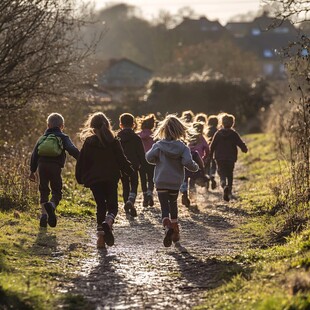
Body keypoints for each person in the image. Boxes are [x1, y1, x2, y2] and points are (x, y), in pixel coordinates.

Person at [75, 112, 133, 248]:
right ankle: (108, 221)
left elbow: (82, 162)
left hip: (94, 181)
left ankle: (100, 239)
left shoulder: (88, 142)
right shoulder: (113, 142)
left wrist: (80, 178)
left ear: (91, 127)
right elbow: (122, 160)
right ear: (107, 125)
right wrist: (130, 172)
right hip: (111, 178)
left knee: (100, 206)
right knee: (112, 206)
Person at [146, 115, 199, 247]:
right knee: (173, 203)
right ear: (180, 130)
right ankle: (175, 231)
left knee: (164, 208)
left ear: (163, 130)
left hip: (161, 181)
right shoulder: (183, 147)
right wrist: (195, 167)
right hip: (175, 182)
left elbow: (148, 157)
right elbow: (187, 162)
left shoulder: (158, 145)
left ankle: (167, 226)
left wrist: (155, 158)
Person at [29, 113, 79, 228]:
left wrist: (32, 171)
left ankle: (43, 215)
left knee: (43, 189)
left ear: (48, 125)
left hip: (42, 166)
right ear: (62, 126)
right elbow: (72, 149)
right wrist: (82, 159)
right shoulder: (63, 137)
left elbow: (34, 155)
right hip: (55, 167)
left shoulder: (42, 138)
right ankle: (51, 205)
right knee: (57, 191)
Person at [209, 113, 248, 202]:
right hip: (231, 157)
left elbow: (212, 145)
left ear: (222, 123)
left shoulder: (218, 133)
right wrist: (244, 148)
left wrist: (210, 155)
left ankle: (223, 185)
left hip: (219, 158)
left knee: (221, 173)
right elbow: (240, 143)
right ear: (232, 123)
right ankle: (229, 188)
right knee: (230, 173)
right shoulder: (234, 134)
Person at [117, 113, 146, 217]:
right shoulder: (136, 138)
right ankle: (131, 200)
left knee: (125, 185)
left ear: (121, 124)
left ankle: (126, 206)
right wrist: (143, 165)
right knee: (134, 184)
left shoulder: (117, 137)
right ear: (133, 124)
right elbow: (141, 154)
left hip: (121, 166)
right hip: (134, 165)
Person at [180, 122, 210, 207]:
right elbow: (207, 148)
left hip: (186, 159)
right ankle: (192, 196)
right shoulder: (201, 138)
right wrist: (205, 157)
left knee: (184, 179)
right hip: (196, 160)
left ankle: (184, 193)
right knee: (192, 181)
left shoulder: (188, 136)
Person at [137, 113, 157, 207]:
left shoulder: (138, 136)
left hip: (141, 160)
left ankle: (145, 196)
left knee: (143, 179)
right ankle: (150, 193)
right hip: (152, 160)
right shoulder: (155, 136)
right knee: (151, 178)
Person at [205, 115, 219, 189]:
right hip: (216, 151)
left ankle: (207, 180)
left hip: (207, 150)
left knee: (206, 165)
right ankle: (212, 176)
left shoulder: (207, 131)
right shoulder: (218, 131)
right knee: (213, 165)